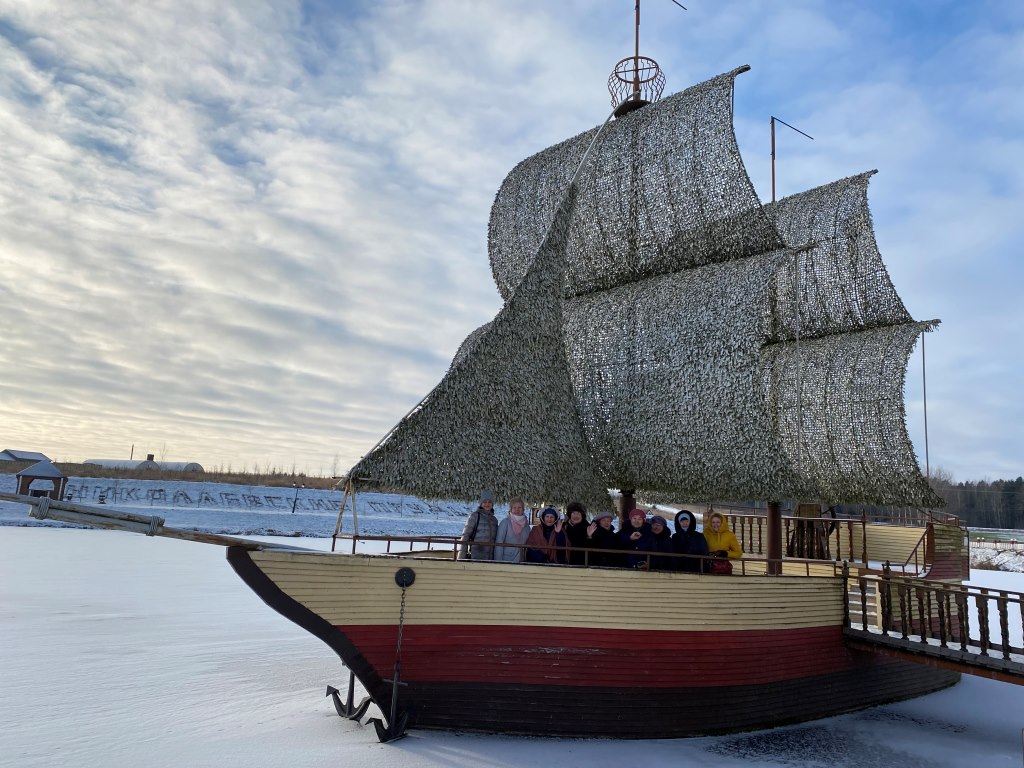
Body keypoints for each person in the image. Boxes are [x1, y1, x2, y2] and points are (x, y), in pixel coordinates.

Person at [459, 490, 498, 561]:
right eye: (484, 502)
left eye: (489, 502)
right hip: (476, 555)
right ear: (480, 504)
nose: (487, 504)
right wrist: (461, 556)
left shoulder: (494, 520)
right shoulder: (474, 516)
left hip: (490, 557)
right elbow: (465, 536)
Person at [494, 497, 532, 563]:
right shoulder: (505, 523)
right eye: (514, 507)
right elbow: (499, 544)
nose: (517, 510)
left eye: (519, 507)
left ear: (523, 509)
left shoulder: (527, 527)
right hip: (506, 560)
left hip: (521, 561)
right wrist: (498, 562)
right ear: (511, 509)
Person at [672, 509, 710, 573]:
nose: (685, 524)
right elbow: (672, 553)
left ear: (690, 522)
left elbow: (705, 553)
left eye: (687, 521)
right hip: (679, 570)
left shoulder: (699, 536)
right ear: (678, 523)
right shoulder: (675, 537)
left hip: (697, 569)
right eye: (682, 521)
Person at [563, 501, 590, 565]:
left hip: (581, 563)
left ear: (582, 515)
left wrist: (589, 536)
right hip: (564, 562)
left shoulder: (588, 528)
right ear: (569, 515)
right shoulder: (562, 526)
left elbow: (592, 547)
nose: (576, 516)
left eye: (578, 513)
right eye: (573, 513)